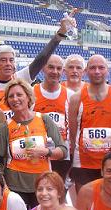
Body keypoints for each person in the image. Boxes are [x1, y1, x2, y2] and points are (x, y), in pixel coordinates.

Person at [0, 80, 66, 209]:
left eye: (19, 95)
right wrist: (3, 186)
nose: (15, 99)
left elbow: (63, 151)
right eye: (11, 96)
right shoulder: (5, 128)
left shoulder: (43, 119)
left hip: (43, 186)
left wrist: (46, 152)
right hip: (15, 186)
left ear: (28, 96)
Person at [0, 15, 73, 116]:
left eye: (11, 60)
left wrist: (60, 33)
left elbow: (41, 59)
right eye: (3, 60)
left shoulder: (21, 78)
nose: (8, 64)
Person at [68, 55, 111, 192]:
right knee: (84, 202)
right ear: (86, 71)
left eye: (101, 67)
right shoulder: (76, 98)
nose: (97, 71)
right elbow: (73, 131)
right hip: (83, 161)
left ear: (108, 70)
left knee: (109, 200)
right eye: (93, 68)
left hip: (109, 161)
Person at [33, 54, 74, 182]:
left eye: (58, 68)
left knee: (59, 193)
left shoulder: (71, 96)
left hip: (61, 154)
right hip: (39, 153)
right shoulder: (31, 92)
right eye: (51, 67)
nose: (55, 72)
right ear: (43, 68)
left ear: (63, 71)